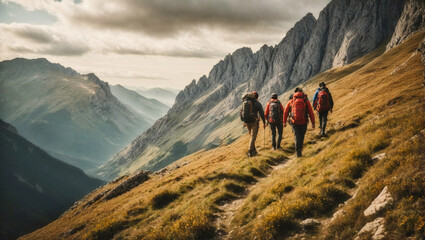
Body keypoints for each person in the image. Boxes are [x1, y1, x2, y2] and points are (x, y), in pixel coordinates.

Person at [283, 87, 315, 157]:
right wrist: (313, 122)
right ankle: (299, 151)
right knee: (302, 136)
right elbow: (310, 112)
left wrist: (284, 122)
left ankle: (297, 152)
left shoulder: (291, 101)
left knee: (297, 136)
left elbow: (285, 112)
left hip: (294, 121)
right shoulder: (305, 100)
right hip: (304, 121)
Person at [240, 91, 266, 157]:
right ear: (257, 97)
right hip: (254, 122)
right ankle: (250, 151)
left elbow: (241, 111)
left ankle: (254, 151)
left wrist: (244, 121)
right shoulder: (257, 103)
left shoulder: (245, 102)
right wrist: (264, 121)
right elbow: (262, 113)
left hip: (247, 122)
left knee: (251, 136)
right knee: (253, 137)